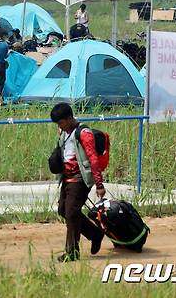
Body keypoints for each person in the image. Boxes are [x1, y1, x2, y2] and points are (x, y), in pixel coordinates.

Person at [50, 103, 105, 262]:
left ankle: (72, 252)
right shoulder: (64, 132)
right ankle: (95, 234)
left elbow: (93, 158)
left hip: (80, 179)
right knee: (63, 210)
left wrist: (99, 185)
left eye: (61, 123)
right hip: (66, 178)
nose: (60, 126)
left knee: (71, 213)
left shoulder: (84, 133)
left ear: (69, 118)